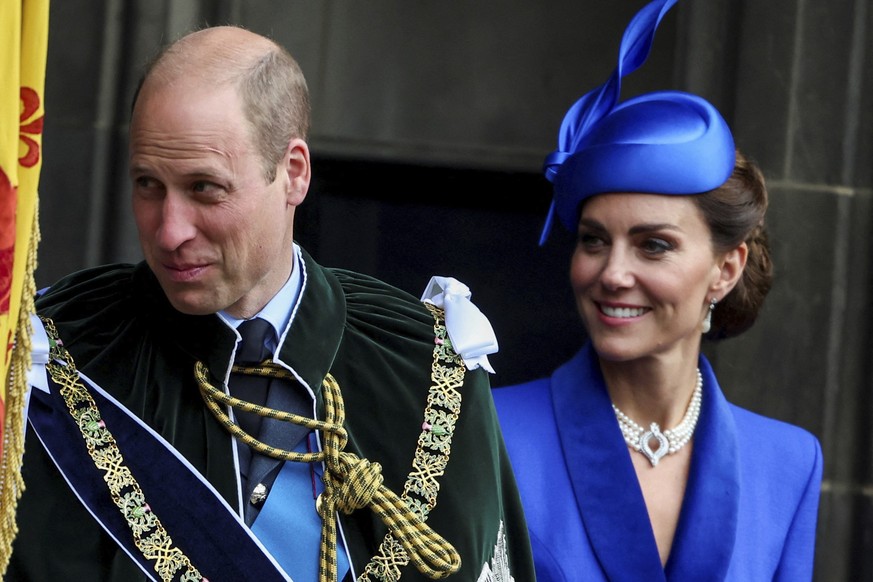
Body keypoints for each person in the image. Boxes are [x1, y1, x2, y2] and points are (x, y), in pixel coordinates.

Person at [7, 26, 535, 582]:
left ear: (294, 174)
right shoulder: (54, 352)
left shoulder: (425, 365)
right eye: (148, 184)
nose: (169, 231)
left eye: (205, 188)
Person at [493, 0, 823, 580]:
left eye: (654, 245)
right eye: (595, 241)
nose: (613, 272)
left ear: (726, 268)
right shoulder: (491, 432)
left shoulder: (788, 463)